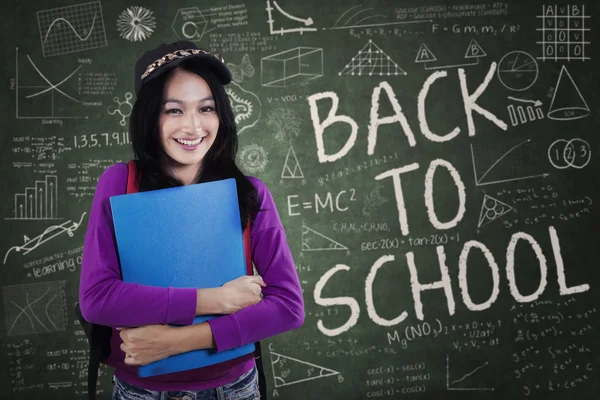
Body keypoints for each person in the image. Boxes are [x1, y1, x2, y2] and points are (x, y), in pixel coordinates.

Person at [78, 41, 304, 399]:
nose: (193, 126)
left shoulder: (250, 194)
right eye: (174, 110)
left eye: (206, 108)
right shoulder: (120, 183)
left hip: (234, 387)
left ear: (221, 115)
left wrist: (177, 341)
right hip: (143, 390)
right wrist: (216, 299)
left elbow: (289, 307)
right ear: (150, 116)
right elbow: (97, 299)